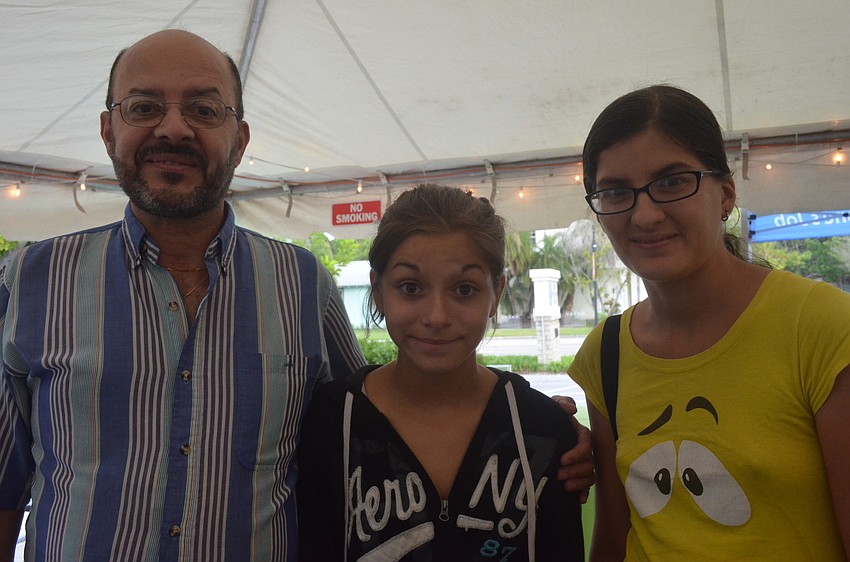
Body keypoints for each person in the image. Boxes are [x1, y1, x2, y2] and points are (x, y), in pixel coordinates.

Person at [0, 31, 592, 562]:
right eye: (144, 107)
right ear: (109, 128)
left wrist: (533, 435)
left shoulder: (302, 283)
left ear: (240, 137)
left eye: (204, 109)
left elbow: (375, 425)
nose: (174, 128)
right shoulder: (28, 280)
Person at [568, 84, 850, 561]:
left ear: (725, 194)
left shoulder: (820, 325)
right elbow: (615, 534)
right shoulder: (607, 350)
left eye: (673, 181)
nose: (646, 213)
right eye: (616, 192)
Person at [296, 184, 585, 561]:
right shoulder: (330, 422)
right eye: (410, 287)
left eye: (464, 289)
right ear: (379, 291)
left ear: (495, 293)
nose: (437, 317)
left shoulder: (540, 428)